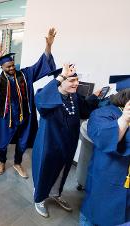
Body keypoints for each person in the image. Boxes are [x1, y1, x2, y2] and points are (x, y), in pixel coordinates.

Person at [0, 28, 57, 177]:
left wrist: (48, 46)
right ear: (2, 68)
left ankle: (17, 163)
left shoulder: (25, 74)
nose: (12, 68)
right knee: (3, 140)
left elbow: (40, 64)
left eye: (13, 65)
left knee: (23, 142)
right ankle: (2, 162)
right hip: (4, 115)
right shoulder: (0, 79)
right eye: (8, 66)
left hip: (25, 114)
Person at [32, 64, 100, 218]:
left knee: (62, 171)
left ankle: (55, 194)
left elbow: (85, 107)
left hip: (68, 143)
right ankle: (39, 199)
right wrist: (60, 77)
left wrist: (96, 96)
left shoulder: (74, 96)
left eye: (77, 80)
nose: (76, 83)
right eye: (72, 80)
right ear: (60, 81)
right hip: (49, 144)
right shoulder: (46, 96)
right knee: (45, 172)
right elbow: (41, 102)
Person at [80, 76, 130, 226]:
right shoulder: (104, 113)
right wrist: (125, 119)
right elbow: (104, 137)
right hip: (107, 183)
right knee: (96, 215)